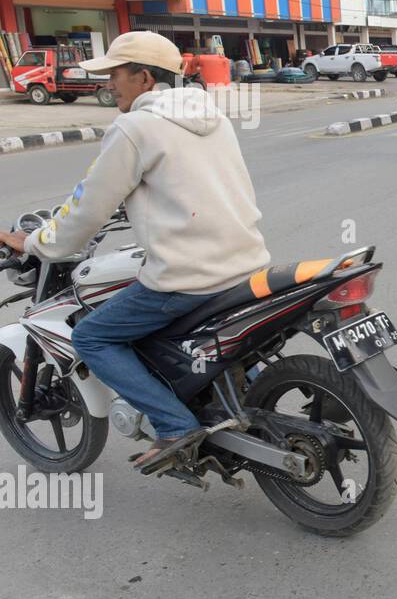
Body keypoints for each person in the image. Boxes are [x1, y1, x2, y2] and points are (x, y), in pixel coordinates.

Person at [0, 31, 270, 473]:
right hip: (246, 262)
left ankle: (174, 425)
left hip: (188, 277)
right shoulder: (211, 116)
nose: (109, 85)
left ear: (143, 78)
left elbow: (85, 210)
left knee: (92, 336)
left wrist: (33, 242)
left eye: (115, 75)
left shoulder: (134, 128)